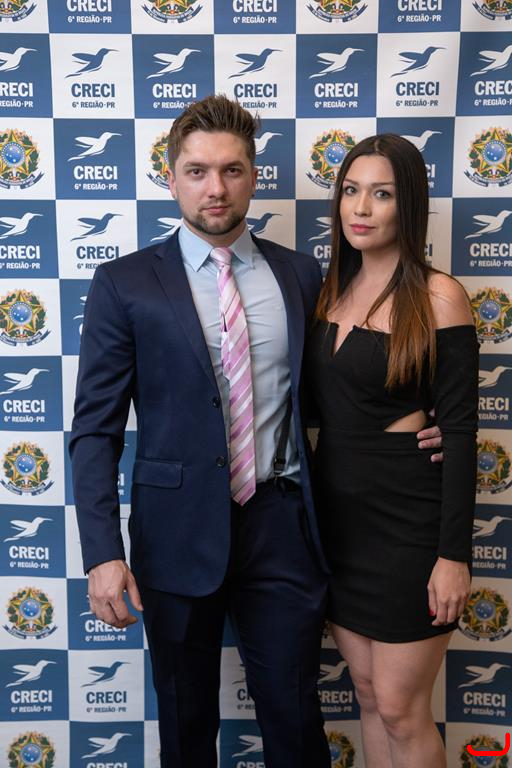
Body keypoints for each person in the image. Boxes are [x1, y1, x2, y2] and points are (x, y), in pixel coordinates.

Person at [70, 98, 442, 768]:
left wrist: (415, 425)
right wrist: (101, 553)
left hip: (282, 526)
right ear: (171, 178)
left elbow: (343, 383)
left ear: (253, 176)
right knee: (184, 721)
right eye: (197, 171)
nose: (215, 188)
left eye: (231, 170)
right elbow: (94, 430)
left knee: (296, 719)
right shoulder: (124, 283)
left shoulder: (302, 274)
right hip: (174, 530)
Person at [307, 133, 478, 768]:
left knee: (404, 709)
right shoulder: (328, 293)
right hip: (338, 525)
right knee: (370, 695)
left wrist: (453, 557)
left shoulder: (439, 296)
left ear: (409, 204)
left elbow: (460, 433)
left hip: (409, 525)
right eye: (351, 191)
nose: (361, 208)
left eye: (381, 194)